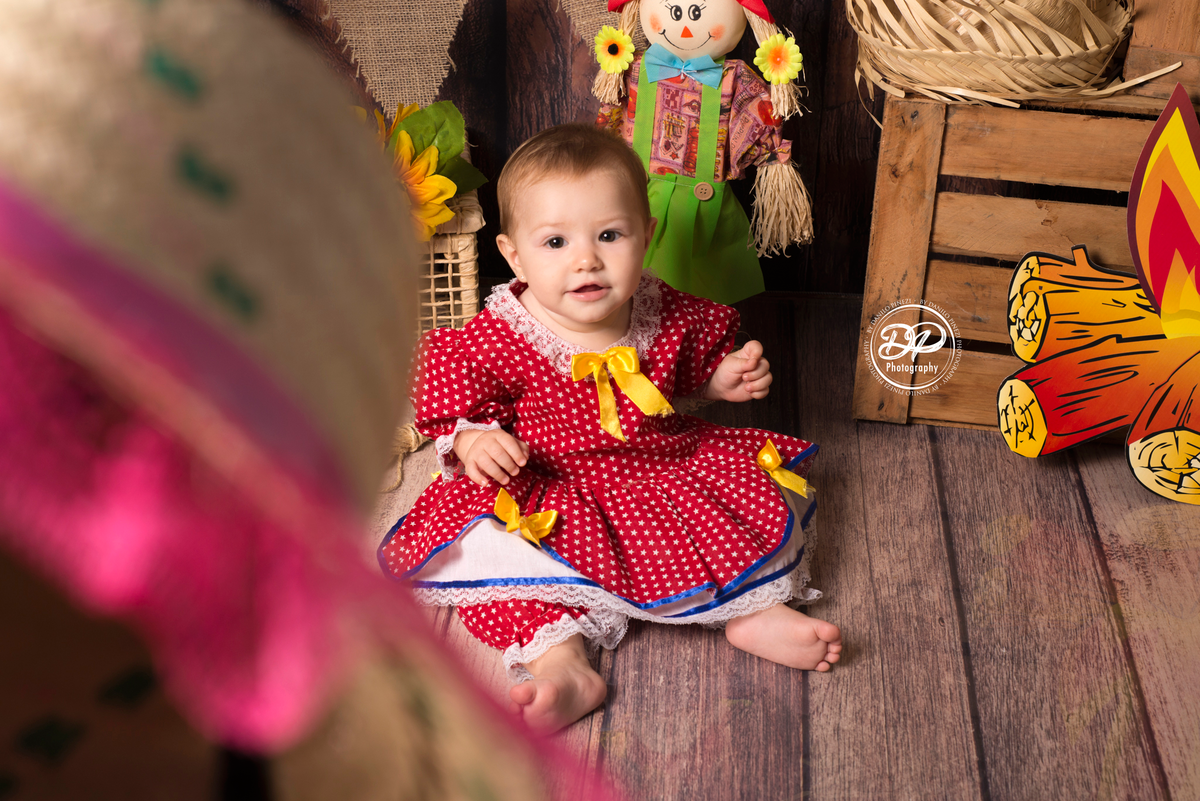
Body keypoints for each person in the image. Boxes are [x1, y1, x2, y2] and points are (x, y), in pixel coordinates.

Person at [379, 124, 840, 733]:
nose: (586, 259)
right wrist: (472, 438)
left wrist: (720, 380)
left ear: (646, 237)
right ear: (512, 254)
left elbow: (687, 372)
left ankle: (751, 611)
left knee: (733, 524)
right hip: (544, 484)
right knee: (502, 572)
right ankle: (562, 664)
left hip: (659, 472)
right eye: (555, 242)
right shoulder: (501, 335)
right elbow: (451, 398)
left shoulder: (659, 308)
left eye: (609, 235)